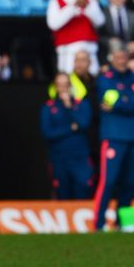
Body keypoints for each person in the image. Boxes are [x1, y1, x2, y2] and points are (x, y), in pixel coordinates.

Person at [92, 45, 134, 230]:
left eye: (124, 57)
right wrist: (131, 99)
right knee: (109, 181)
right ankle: (98, 224)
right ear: (112, 58)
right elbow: (117, 100)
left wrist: (124, 100)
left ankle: (121, 222)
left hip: (133, 136)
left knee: (129, 182)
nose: (122, 60)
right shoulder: (105, 78)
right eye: (118, 57)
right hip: (114, 136)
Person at [40, 72, 93, 200]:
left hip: (80, 157)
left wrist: (69, 107)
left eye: (65, 85)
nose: (63, 89)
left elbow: (84, 124)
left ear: (70, 86)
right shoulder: (48, 107)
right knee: (62, 192)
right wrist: (71, 128)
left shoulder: (81, 104)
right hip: (59, 158)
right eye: (60, 85)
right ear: (55, 87)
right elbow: (47, 133)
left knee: (83, 190)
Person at [46, 0, 105, 75]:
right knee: (69, 84)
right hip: (67, 50)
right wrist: (73, 7)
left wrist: (87, 8)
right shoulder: (56, 1)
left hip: (89, 49)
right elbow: (53, 24)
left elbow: (100, 22)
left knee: (93, 82)